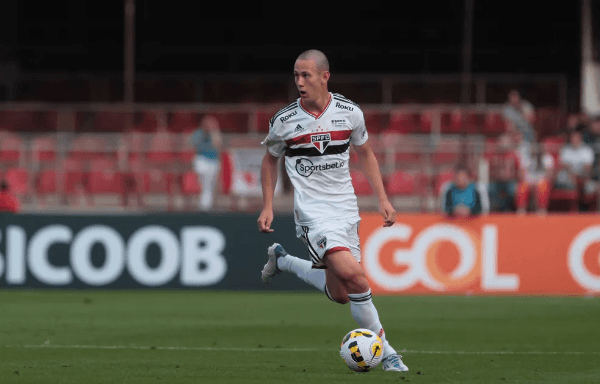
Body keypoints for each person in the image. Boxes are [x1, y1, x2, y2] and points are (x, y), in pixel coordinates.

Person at [257, 49, 408, 372]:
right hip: (313, 215)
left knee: (341, 293)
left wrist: (383, 199)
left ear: (325, 76)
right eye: (296, 75)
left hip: (346, 210)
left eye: (306, 75)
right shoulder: (284, 122)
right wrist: (268, 204)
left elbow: (366, 154)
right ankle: (388, 353)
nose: (299, 81)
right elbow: (270, 160)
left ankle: (283, 260)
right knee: (355, 276)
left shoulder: (349, 113)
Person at [556, 131, 596, 210]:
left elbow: (588, 167)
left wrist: (578, 174)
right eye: (573, 138)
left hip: (583, 177)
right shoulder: (566, 150)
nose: (574, 140)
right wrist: (571, 172)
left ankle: (585, 210)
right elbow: (562, 165)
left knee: (591, 187)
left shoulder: (587, 150)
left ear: (580, 138)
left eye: (576, 138)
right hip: (568, 178)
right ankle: (572, 209)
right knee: (564, 178)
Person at [190, 115, 222, 211]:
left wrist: (213, 131)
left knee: (209, 186)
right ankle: (204, 205)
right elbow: (192, 144)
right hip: (201, 159)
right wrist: (204, 133)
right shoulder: (198, 133)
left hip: (213, 161)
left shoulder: (215, 133)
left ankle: (206, 205)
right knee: (205, 184)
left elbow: (217, 145)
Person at [486, 134, 521, 212]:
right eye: (501, 142)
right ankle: (493, 210)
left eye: (504, 142)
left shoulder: (514, 155)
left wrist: (519, 181)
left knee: (512, 190)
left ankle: (509, 209)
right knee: (490, 189)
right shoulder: (493, 155)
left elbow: (518, 169)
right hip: (496, 181)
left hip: (510, 181)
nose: (502, 144)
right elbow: (489, 169)